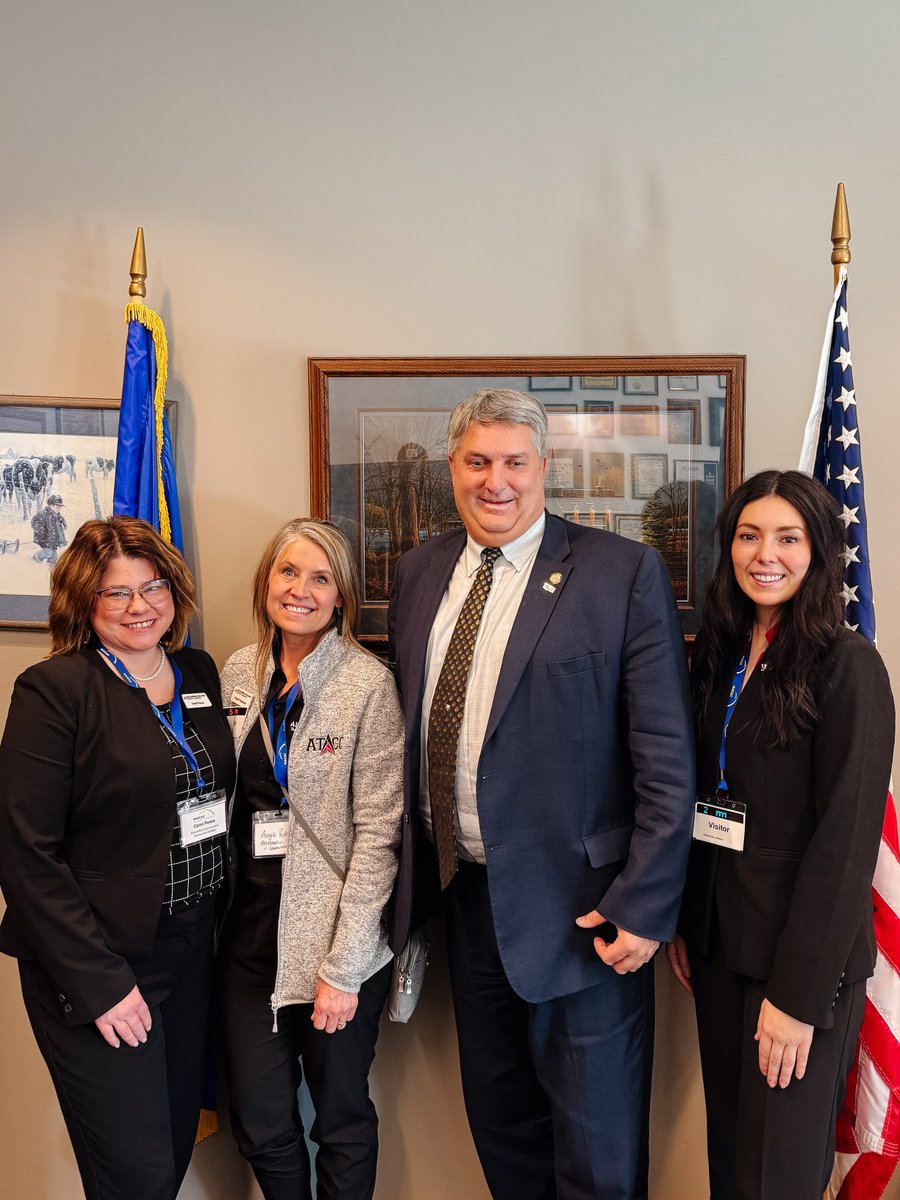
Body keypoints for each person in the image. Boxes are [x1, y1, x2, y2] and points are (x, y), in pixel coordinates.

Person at [387, 388, 695, 1200]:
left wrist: (645, 905)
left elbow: (666, 756)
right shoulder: (419, 572)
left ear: (545, 467)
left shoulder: (619, 573)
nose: (497, 481)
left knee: (597, 1155)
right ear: (453, 467)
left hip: (585, 914)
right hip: (466, 900)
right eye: (478, 462)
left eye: (514, 462)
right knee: (503, 1133)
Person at [666, 470, 895, 1200]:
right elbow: (705, 796)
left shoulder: (849, 666)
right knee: (732, 1166)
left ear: (819, 550)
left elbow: (845, 845)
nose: (765, 555)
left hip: (797, 968)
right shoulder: (721, 653)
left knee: (777, 1180)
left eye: (788, 538)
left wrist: (797, 998)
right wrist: (687, 921)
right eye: (748, 535)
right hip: (719, 947)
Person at [0, 516, 235, 1200]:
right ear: (85, 601)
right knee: (137, 1177)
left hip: (190, 951)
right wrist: (100, 982)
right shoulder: (54, 691)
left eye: (152, 586)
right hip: (103, 961)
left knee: (172, 1149)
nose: (140, 606)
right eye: (116, 592)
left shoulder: (197, 671)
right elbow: (25, 854)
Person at [219, 517, 403, 1200]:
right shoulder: (238, 672)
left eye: (320, 578)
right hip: (247, 937)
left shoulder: (366, 684)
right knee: (261, 1121)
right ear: (266, 581)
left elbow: (379, 834)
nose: (301, 590)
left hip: (335, 942)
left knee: (340, 1116)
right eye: (288, 572)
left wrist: (344, 967)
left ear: (341, 596)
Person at [31, 492, 67, 563]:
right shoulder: (43, 513)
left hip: (52, 540)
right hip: (44, 539)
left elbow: (59, 529)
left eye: (60, 506)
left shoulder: (58, 516)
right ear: (50, 505)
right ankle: (35, 559)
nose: (59, 507)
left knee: (54, 557)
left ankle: (49, 567)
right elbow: (34, 521)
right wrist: (42, 531)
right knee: (48, 552)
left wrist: (60, 538)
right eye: (57, 505)